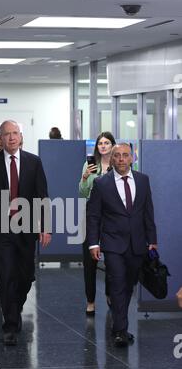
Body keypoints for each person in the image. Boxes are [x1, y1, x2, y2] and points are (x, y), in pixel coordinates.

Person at [0, 120, 51, 346]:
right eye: (6, 134)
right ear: (0, 138)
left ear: (21, 136)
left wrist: (45, 226)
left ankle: (16, 307)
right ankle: (9, 325)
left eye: (15, 133)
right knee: (5, 274)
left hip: (27, 227)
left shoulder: (33, 162)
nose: (11, 138)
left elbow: (43, 196)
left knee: (26, 275)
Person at [86, 143, 157, 347]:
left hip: (137, 244)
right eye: (117, 155)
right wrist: (93, 243)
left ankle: (118, 322)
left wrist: (152, 241)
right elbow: (93, 216)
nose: (121, 159)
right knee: (117, 284)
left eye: (125, 155)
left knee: (128, 286)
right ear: (112, 158)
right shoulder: (101, 183)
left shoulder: (143, 181)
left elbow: (148, 212)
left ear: (132, 158)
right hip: (112, 243)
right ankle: (120, 330)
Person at [79, 131, 116, 316]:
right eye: (100, 143)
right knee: (89, 260)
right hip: (91, 213)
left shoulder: (118, 164)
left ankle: (110, 294)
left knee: (112, 257)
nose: (103, 146)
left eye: (106, 143)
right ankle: (90, 300)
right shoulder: (90, 164)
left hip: (112, 215)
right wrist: (85, 177)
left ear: (112, 145)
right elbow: (82, 192)